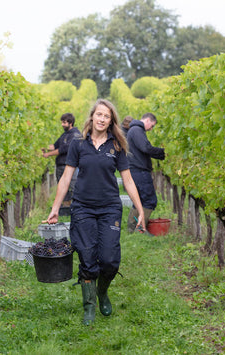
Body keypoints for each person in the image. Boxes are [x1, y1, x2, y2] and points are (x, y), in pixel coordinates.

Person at [43, 99, 146, 325]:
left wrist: (140, 209)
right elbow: (66, 178)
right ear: (92, 117)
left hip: (109, 208)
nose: (102, 119)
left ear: (111, 121)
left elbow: (127, 180)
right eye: (99, 114)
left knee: (110, 260)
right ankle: (89, 306)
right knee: (87, 258)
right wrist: (55, 209)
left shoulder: (116, 146)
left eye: (106, 116)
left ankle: (102, 292)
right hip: (83, 209)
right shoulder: (79, 144)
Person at [126, 113, 165, 233]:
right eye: (151, 125)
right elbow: (146, 148)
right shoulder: (137, 130)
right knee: (150, 200)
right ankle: (139, 229)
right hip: (139, 171)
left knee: (140, 200)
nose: (151, 129)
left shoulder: (134, 130)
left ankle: (131, 229)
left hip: (136, 170)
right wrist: (163, 153)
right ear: (147, 120)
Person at [43, 113, 81, 206]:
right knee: (63, 189)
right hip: (60, 166)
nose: (62, 125)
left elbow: (63, 149)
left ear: (70, 123)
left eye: (64, 123)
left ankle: (80, 207)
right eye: (62, 122)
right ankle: (66, 208)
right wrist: (42, 147)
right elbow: (55, 146)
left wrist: (48, 154)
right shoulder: (65, 135)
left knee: (74, 187)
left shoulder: (75, 135)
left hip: (70, 166)